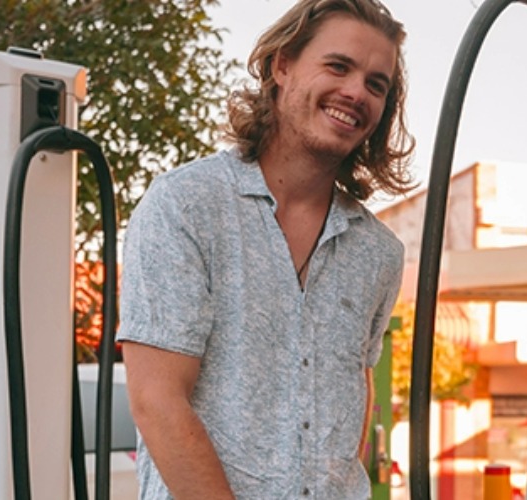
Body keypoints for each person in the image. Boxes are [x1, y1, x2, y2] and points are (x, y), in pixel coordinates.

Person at [116, 0, 412, 498]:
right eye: (338, 66)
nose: (356, 92)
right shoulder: (187, 206)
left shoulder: (378, 253)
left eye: (376, 84)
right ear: (283, 65)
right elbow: (157, 401)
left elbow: (348, 412)